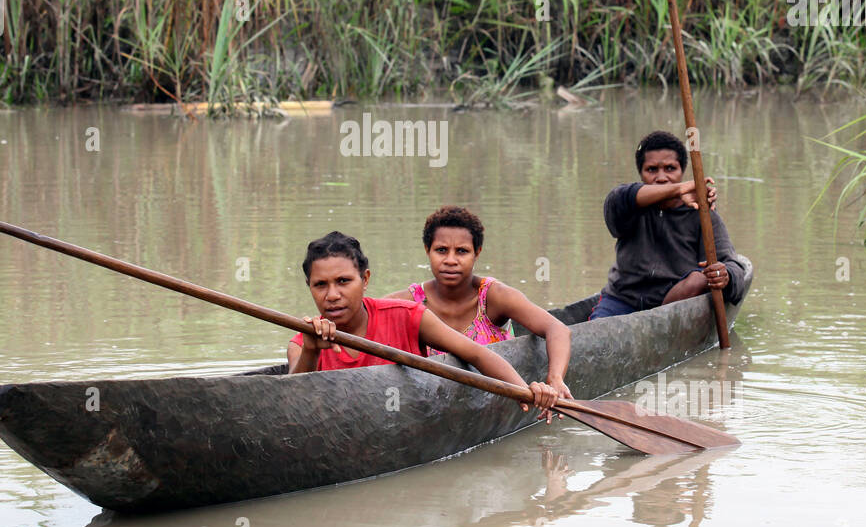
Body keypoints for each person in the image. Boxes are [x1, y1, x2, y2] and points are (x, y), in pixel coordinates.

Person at [289, 231, 559, 418]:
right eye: (320, 285)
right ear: (309, 287)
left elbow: (475, 353)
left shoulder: (406, 315)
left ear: (365, 279)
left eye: (344, 281)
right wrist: (312, 350)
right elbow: (292, 402)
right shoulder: (303, 340)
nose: (332, 295)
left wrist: (523, 392)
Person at [384, 205, 573, 404]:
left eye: (462, 251)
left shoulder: (493, 296)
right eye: (441, 250)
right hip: (432, 401)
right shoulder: (408, 302)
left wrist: (555, 379)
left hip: (499, 396)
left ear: (477, 253)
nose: (450, 260)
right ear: (427, 251)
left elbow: (557, 329)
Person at [589, 130, 747, 319]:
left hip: (675, 304)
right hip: (622, 300)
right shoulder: (627, 206)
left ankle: (656, 323)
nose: (661, 177)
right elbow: (618, 197)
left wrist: (724, 275)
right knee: (597, 331)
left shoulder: (703, 216)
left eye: (670, 169)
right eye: (652, 169)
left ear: (682, 171)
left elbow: (734, 267)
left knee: (699, 278)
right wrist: (679, 189)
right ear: (641, 174)